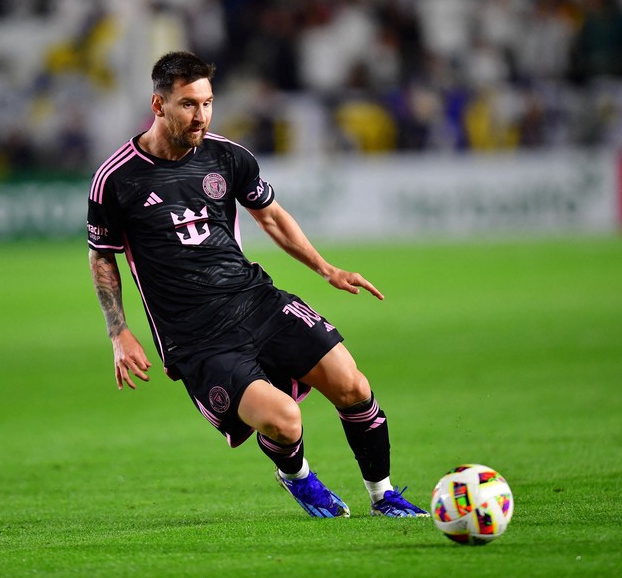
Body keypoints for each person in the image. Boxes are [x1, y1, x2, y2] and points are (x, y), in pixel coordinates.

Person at [87, 51, 427, 518]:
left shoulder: (228, 157)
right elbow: (102, 256)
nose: (201, 115)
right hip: (197, 337)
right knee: (285, 422)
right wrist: (118, 332)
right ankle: (298, 477)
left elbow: (270, 216)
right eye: (188, 104)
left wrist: (327, 269)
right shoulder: (116, 179)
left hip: (255, 301)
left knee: (353, 386)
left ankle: (384, 495)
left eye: (207, 103)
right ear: (158, 104)